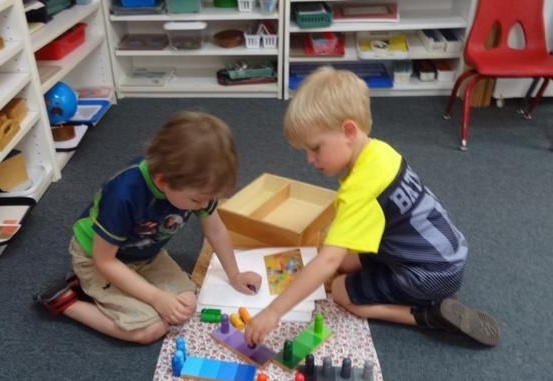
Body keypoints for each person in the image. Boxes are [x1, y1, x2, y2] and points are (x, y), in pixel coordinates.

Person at [244, 67, 501, 347]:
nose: (309, 159)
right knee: (346, 260)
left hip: (429, 276)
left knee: (341, 290)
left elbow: (328, 261)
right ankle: (419, 296)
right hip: (448, 256)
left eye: (315, 148)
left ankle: (428, 315)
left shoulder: (358, 191)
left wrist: (273, 312)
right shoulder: (381, 151)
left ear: (348, 131)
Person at [36, 112, 262, 344]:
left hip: (145, 255)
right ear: (163, 181)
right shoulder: (124, 194)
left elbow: (215, 230)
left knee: (187, 303)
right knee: (150, 330)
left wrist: (234, 274)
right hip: (98, 259)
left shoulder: (196, 186)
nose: (204, 206)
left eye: (209, 198)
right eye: (197, 201)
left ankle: (94, 289)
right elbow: (105, 261)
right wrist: (156, 297)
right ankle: (65, 301)